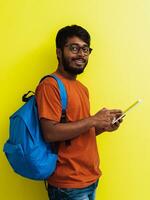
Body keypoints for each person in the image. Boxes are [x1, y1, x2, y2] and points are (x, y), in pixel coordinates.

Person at [35, 25, 123, 200]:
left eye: (85, 49)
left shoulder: (82, 88)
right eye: (74, 48)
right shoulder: (50, 85)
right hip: (69, 184)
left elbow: (76, 133)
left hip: (89, 178)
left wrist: (103, 125)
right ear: (59, 52)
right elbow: (50, 133)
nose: (81, 54)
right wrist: (92, 120)